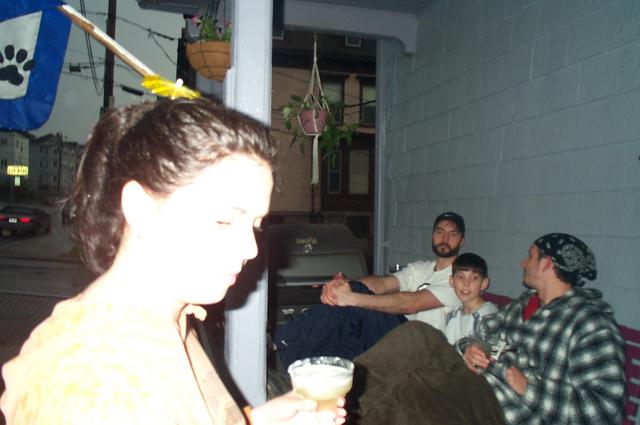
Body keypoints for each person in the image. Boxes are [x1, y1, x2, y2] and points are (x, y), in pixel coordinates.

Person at [0, 99, 346, 425]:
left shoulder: (168, 317)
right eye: (223, 220)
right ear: (140, 208)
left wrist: (258, 420)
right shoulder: (95, 384)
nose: (251, 249)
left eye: (255, 224)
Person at [351, 233, 625, 424]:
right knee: (413, 361)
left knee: (416, 360)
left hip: (501, 411)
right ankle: (342, 408)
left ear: (547, 264)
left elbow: (605, 411)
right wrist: (470, 347)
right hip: (474, 384)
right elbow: (483, 337)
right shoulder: (526, 305)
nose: (523, 263)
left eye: (530, 256)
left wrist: (530, 388)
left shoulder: (590, 324)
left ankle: (342, 399)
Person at [274, 212, 465, 369]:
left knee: (355, 303)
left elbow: (411, 304)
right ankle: (297, 367)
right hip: (398, 332)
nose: (445, 238)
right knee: (347, 336)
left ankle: (281, 340)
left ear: (461, 241)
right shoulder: (421, 268)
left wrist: (351, 297)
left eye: (452, 234)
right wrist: (344, 285)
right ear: (432, 235)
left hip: (420, 343)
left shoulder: (461, 279)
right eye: (440, 232)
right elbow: (382, 284)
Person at [443, 252, 498, 346]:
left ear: (484, 284)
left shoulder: (488, 316)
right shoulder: (452, 314)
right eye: (460, 277)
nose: (466, 283)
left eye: (474, 278)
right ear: (451, 281)